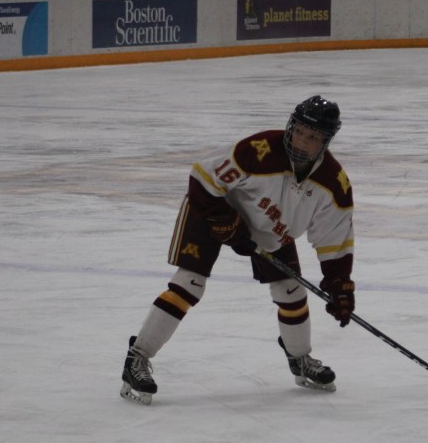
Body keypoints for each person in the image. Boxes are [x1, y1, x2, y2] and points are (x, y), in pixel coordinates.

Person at [120, 95, 355, 405]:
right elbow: (203, 176)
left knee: (291, 291)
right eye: (298, 131)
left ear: (325, 142)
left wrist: (339, 285)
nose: (301, 141)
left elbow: (335, 240)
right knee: (190, 283)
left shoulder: (333, 183)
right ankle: (137, 357)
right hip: (213, 209)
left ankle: (299, 358)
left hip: (271, 229)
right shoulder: (258, 150)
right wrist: (221, 218)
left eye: (312, 137)